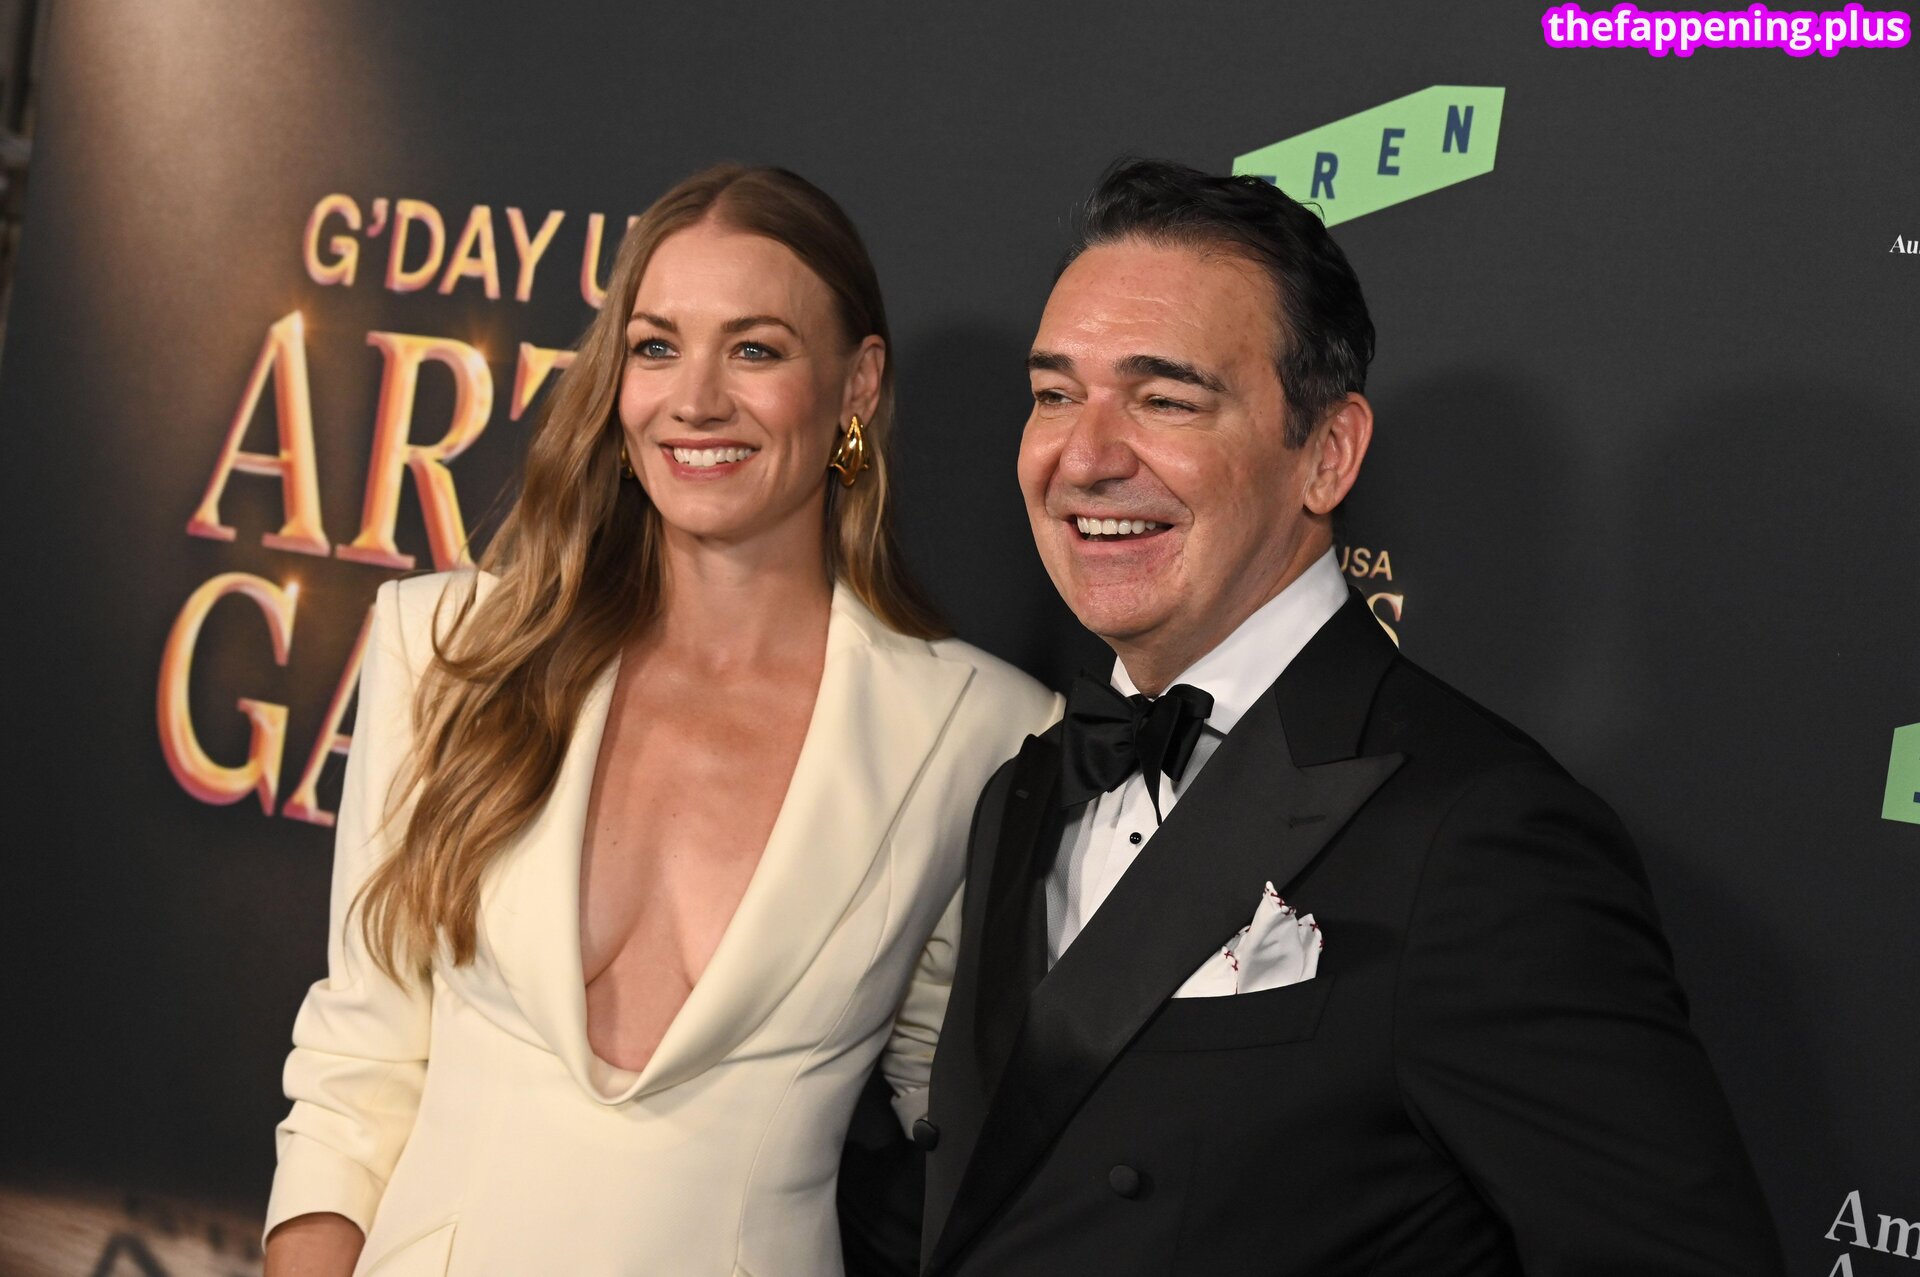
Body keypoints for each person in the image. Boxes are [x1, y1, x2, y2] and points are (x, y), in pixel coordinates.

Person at [916, 158, 1786, 1275]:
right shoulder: (1029, 784)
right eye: (1054, 394)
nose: (1083, 457)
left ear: (1326, 454)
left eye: (1166, 399)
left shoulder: (1479, 838)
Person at [261, 164, 1056, 1277]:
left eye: (756, 349)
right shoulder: (448, 649)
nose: (695, 400)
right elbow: (359, 1064)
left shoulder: (982, 732)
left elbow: (956, 1112)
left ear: (857, 383)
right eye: (655, 346)